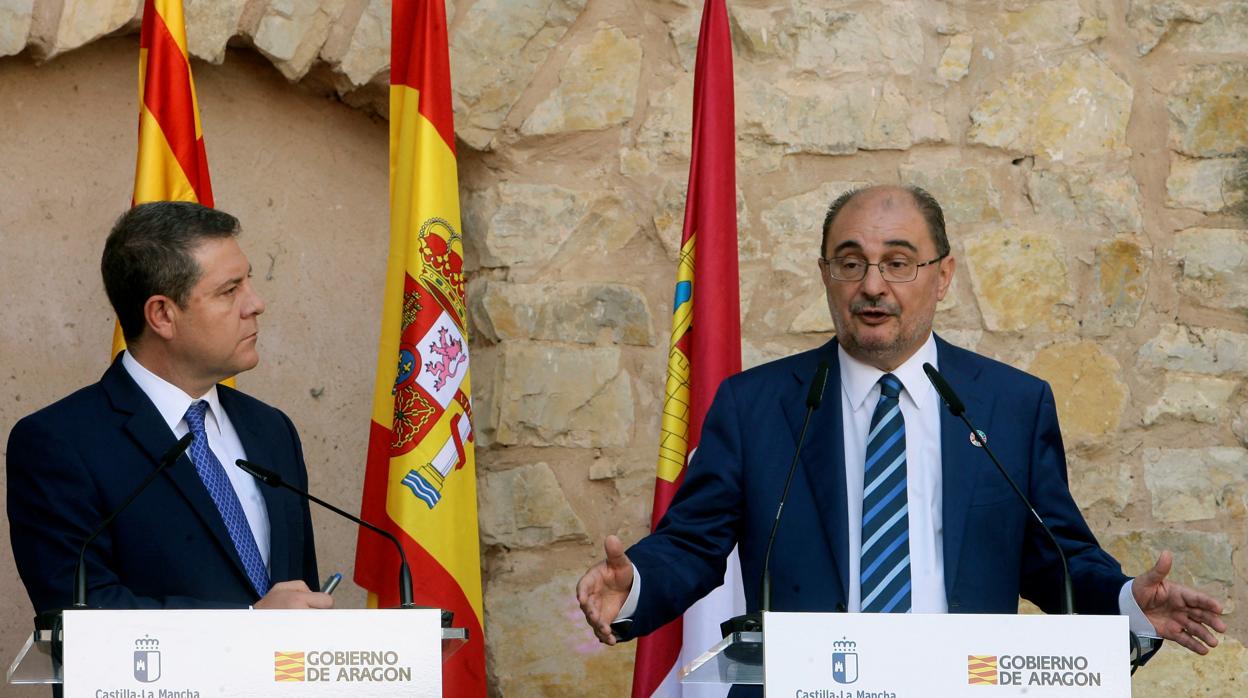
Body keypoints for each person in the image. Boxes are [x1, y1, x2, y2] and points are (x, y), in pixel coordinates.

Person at [577, 185, 1225, 678]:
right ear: (827, 274)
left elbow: (1057, 560)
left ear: (941, 275)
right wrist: (633, 583)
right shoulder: (756, 405)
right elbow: (692, 543)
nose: (873, 285)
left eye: (899, 262)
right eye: (851, 262)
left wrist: (1129, 607)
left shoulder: (1010, 405)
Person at [7, 201, 331, 613]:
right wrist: (250, 625)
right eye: (230, 291)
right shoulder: (59, 443)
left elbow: (296, 593)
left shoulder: (270, 428)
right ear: (162, 315)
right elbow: (80, 614)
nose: (256, 304)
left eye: (247, 282)